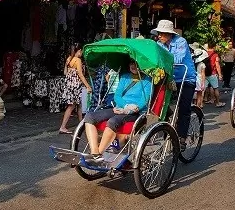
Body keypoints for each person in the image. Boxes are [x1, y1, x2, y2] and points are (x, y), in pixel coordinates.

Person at [84, 59, 152, 164]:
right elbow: (117, 95)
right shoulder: (125, 77)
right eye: (131, 63)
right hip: (119, 107)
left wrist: (127, 110)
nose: (133, 66)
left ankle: (99, 154)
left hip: (134, 112)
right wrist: (123, 106)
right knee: (89, 117)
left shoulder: (148, 80)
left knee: (112, 121)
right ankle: (95, 153)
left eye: (136, 64)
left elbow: (144, 100)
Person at [151, 20, 196, 148]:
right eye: (158, 33)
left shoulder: (181, 42)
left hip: (186, 78)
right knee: (160, 103)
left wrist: (161, 61)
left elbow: (178, 59)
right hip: (169, 78)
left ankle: (182, 137)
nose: (159, 35)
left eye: (162, 33)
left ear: (169, 34)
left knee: (184, 108)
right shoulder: (159, 44)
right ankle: (168, 123)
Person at [59, 43, 91, 134]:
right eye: (82, 52)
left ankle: (81, 123)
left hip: (69, 85)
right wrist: (88, 86)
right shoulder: (78, 60)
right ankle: (63, 127)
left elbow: (65, 73)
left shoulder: (69, 59)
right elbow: (81, 75)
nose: (82, 54)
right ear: (79, 51)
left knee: (79, 104)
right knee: (71, 106)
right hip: (75, 86)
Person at [205, 43, 225, 107]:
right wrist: (220, 75)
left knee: (203, 89)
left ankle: (200, 104)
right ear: (214, 47)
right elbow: (217, 66)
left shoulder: (204, 53)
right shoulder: (215, 55)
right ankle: (218, 103)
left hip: (204, 73)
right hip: (213, 74)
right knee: (215, 88)